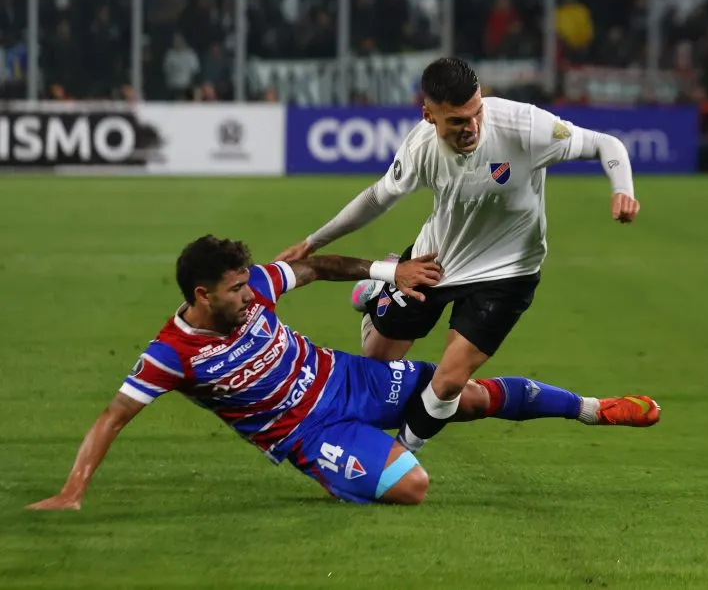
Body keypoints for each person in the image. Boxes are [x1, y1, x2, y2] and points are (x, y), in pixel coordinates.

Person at [26, 236, 660, 511]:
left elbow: (315, 269)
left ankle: (593, 408)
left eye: (250, 284)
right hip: (307, 432)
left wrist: (389, 275)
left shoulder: (256, 291)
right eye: (235, 290)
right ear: (201, 294)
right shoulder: (172, 353)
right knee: (413, 487)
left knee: (461, 395)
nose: (251, 295)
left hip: (348, 378)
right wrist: (74, 487)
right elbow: (114, 415)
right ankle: (349, 471)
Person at [276, 57, 640, 455]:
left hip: (508, 273)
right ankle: (378, 287)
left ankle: (398, 458)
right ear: (429, 115)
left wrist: (623, 188)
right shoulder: (420, 146)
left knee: (449, 381)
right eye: (457, 121)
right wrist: (314, 241)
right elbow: (378, 197)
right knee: (377, 362)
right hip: (437, 260)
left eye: (476, 113)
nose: (471, 128)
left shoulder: (523, 125)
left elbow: (607, 143)